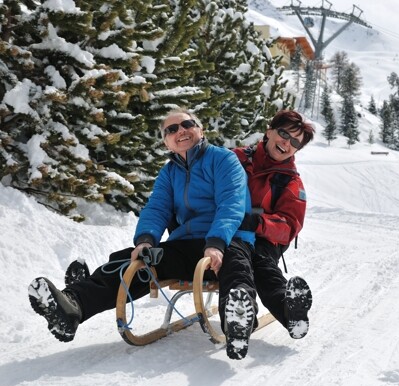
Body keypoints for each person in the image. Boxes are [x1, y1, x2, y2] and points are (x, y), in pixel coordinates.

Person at [28, 109, 258, 360]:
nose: (180, 131)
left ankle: (236, 324)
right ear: (166, 142)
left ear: (200, 130)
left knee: (235, 266)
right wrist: (146, 240)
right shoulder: (169, 173)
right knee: (131, 261)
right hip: (184, 245)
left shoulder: (223, 160)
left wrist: (216, 244)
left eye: (186, 124)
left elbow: (231, 204)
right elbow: (157, 208)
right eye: (171, 130)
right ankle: (74, 306)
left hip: (227, 240)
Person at [235, 109, 314, 339]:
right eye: (284, 134)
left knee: (260, 264)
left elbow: (290, 226)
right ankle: (240, 308)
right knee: (236, 258)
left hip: (265, 238)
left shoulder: (290, 181)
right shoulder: (236, 158)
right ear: (268, 131)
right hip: (228, 230)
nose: (287, 143)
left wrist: (259, 223)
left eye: (295, 143)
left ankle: (290, 311)